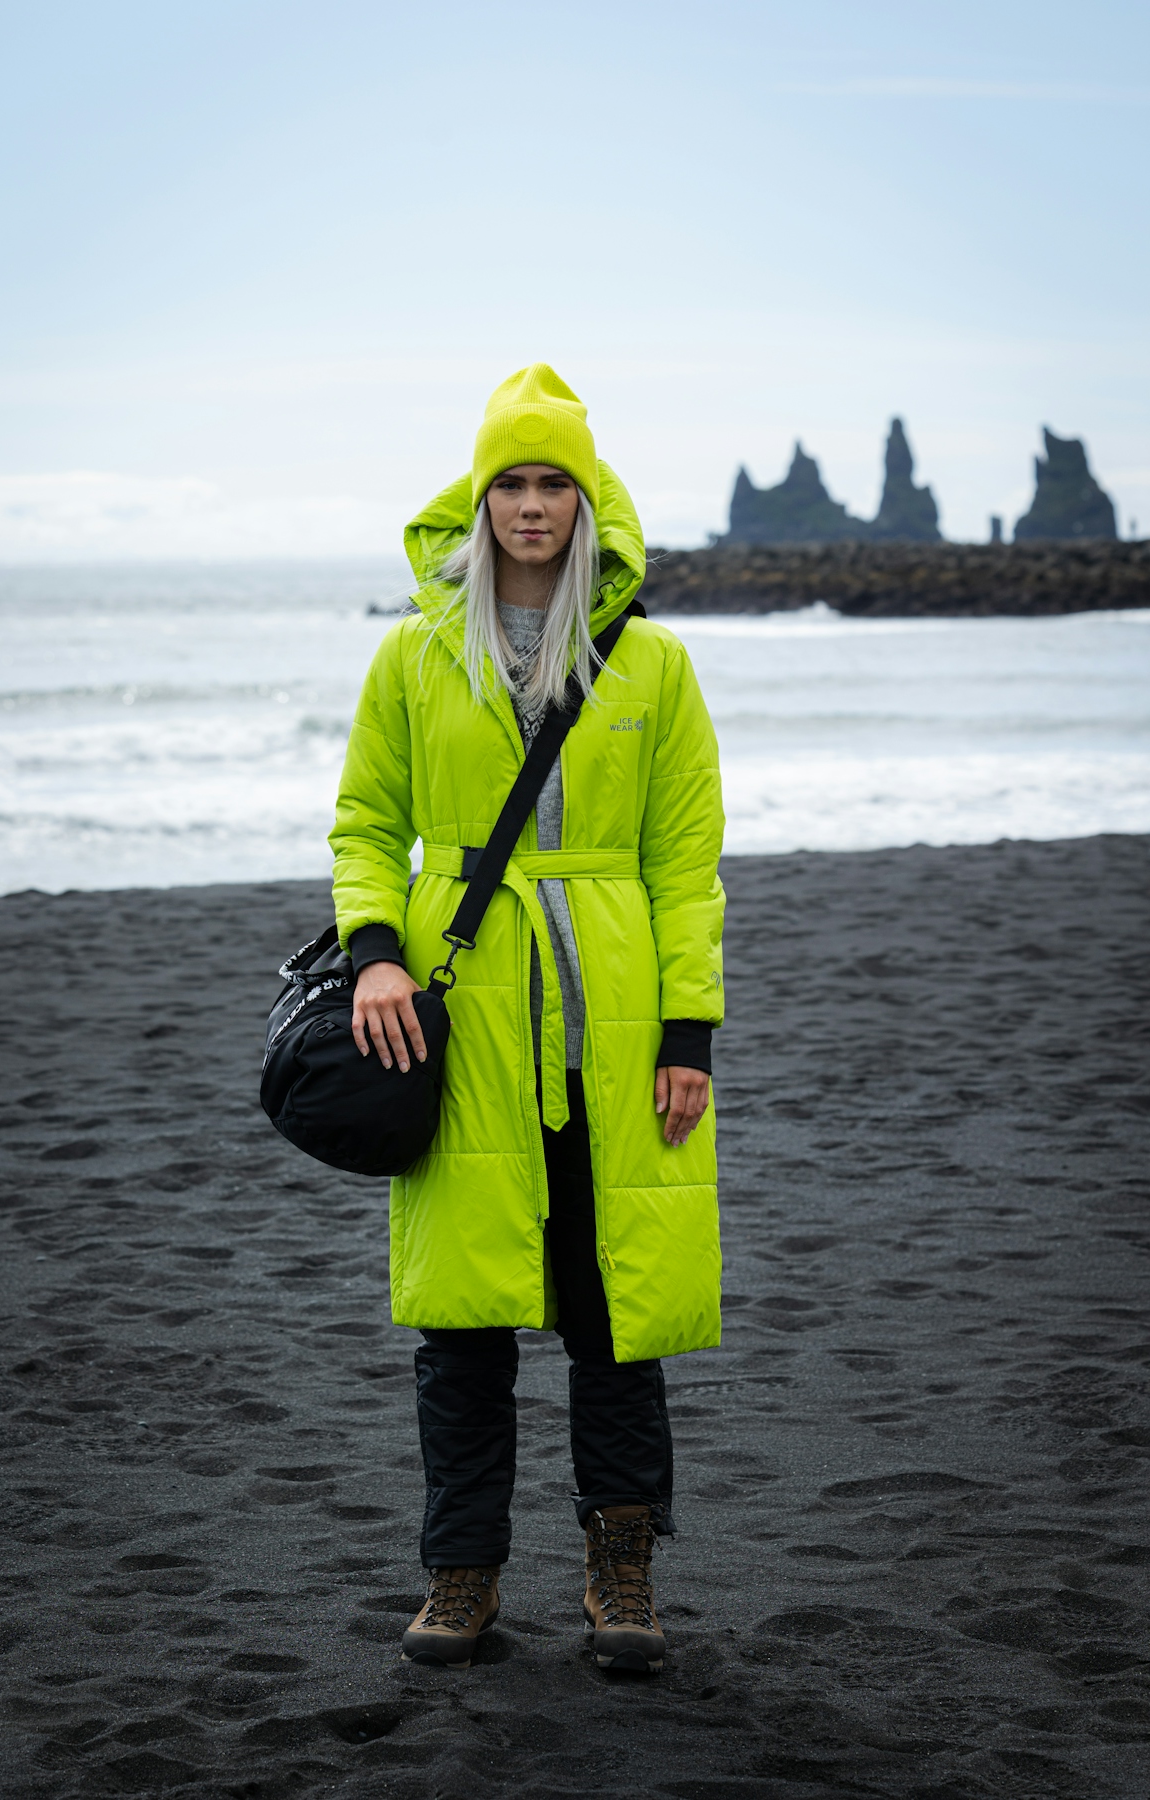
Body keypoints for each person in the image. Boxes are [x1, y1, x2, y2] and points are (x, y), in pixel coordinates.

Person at [329, 364, 724, 1673]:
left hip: (610, 1037)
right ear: (481, 493)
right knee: (462, 1325)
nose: (535, 505)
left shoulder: (652, 663)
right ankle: (462, 1578)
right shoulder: (415, 650)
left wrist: (687, 1034)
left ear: (588, 497)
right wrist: (375, 953)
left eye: (557, 481)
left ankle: (623, 1579)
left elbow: (684, 863)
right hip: (468, 1035)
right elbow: (367, 826)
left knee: (618, 1321)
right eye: (514, 481)